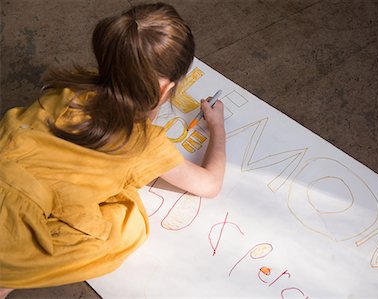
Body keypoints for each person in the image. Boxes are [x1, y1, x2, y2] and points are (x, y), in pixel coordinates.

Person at [0, 2, 225, 297]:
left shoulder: (62, 93)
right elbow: (209, 184)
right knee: (130, 226)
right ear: (165, 89)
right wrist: (217, 127)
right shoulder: (144, 144)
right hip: (10, 247)